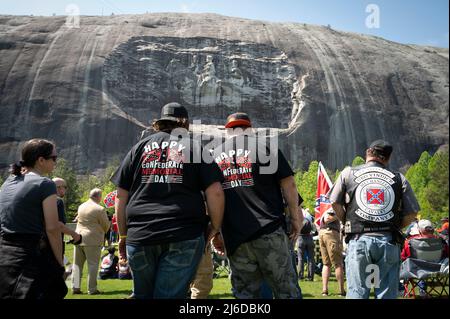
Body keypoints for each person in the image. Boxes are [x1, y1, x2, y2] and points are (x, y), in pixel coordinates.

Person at [112, 102, 225, 299]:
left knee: (142, 295)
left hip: (141, 234)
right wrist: (215, 227)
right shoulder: (195, 148)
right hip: (183, 233)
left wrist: (122, 236)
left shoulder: (139, 148)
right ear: (185, 124)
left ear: (159, 123)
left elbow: (121, 196)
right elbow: (215, 192)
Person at [211, 112, 302, 299]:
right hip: (269, 231)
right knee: (286, 290)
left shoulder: (214, 156)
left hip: (235, 237)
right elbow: (289, 183)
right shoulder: (265, 148)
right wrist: (295, 218)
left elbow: (213, 196)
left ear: (227, 131)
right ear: (250, 129)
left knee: (245, 295)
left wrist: (216, 231)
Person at [328, 139, 420, 299]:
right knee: (386, 294)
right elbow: (412, 213)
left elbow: (334, 201)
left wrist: (345, 221)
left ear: (368, 153)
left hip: (359, 240)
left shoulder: (348, 173)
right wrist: (396, 226)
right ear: (387, 158)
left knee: (357, 292)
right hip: (388, 242)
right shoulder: (399, 178)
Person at [0, 139, 67, 299]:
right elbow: (52, 228)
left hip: (5, 255)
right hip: (29, 258)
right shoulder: (45, 184)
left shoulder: (9, 182)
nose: (55, 162)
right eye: (54, 158)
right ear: (41, 160)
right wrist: (60, 263)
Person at [72, 188, 110, 295]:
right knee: (93, 265)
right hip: (92, 239)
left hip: (78, 237)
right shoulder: (100, 209)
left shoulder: (81, 206)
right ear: (99, 196)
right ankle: (92, 289)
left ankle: (75, 288)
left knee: (77, 265)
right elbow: (106, 225)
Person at [318, 209, 346, 296]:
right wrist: (341, 213)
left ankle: (324, 290)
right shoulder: (333, 206)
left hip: (323, 233)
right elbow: (327, 218)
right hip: (330, 234)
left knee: (326, 264)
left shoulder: (326, 205)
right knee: (338, 264)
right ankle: (342, 291)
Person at [297, 208, 316, 281]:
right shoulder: (309, 216)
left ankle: (300, 275)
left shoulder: (298, 214)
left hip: (300, 238)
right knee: (311, 259)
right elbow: (314, 229)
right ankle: (310, 277)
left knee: (300, 258)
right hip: (309, 238)